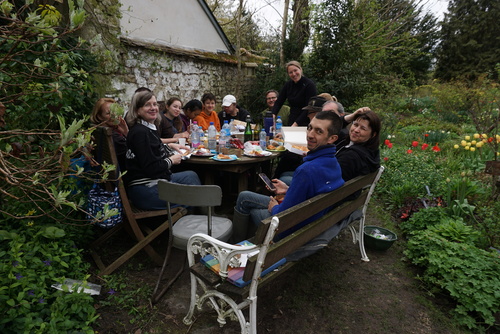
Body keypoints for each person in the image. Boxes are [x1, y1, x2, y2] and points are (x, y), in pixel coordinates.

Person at [232, 111, 345, 242]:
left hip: (289, 230)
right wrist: (289, 189)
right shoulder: (333, 163)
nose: (310, 135)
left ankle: (236, 245)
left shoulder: (307, 170)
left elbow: (282, 215)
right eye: (310, 128)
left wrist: (274, 207)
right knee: (246, 196)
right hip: (309, 220)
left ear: (332, 138)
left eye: (319, 131)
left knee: (245, 201)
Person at [124, 91, 201, 210]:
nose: (153, 108)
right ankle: (189, 223)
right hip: (145, 189)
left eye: (155, 104)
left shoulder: (147, 128)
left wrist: (169, 146)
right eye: (147, 105)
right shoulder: (140, 132)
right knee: (192, 196)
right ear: (137, 110)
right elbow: (151, 167)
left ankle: (198, 214)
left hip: (155, 180)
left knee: (191, 176)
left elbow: (149, 149)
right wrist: (171, 160)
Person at [272, 60, 317, 127]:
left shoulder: (309, 85)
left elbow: (309, 108)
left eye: (295, 70)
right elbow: (279, 102)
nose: (293, 74)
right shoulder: (288, 85)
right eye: (290, 72)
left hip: (306, 121)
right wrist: (272, 116)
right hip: (292, 119)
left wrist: (296, 124)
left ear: (300, 69)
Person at [90, 97, 128, 171]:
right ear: (99, 116)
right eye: (108, 113)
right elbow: (135, 155)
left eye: (115, 111)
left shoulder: (98, 131)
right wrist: (127, 133)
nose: (113, 115)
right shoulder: (115, 137)